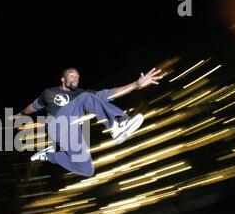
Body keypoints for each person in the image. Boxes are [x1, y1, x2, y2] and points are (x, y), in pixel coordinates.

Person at [9, 67, 162, 177]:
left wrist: (136, 84)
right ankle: (118, 124)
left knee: (87, 170)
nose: (75, 78)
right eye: (72, 75)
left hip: (71, 132)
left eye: (77, 77)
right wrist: (20, 114)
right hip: (56, 124)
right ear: (63, 79)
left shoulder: (81, 93)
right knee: (86, 98)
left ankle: (50, 155)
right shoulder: (49, 92)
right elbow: (34, 106)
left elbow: (108, 94)